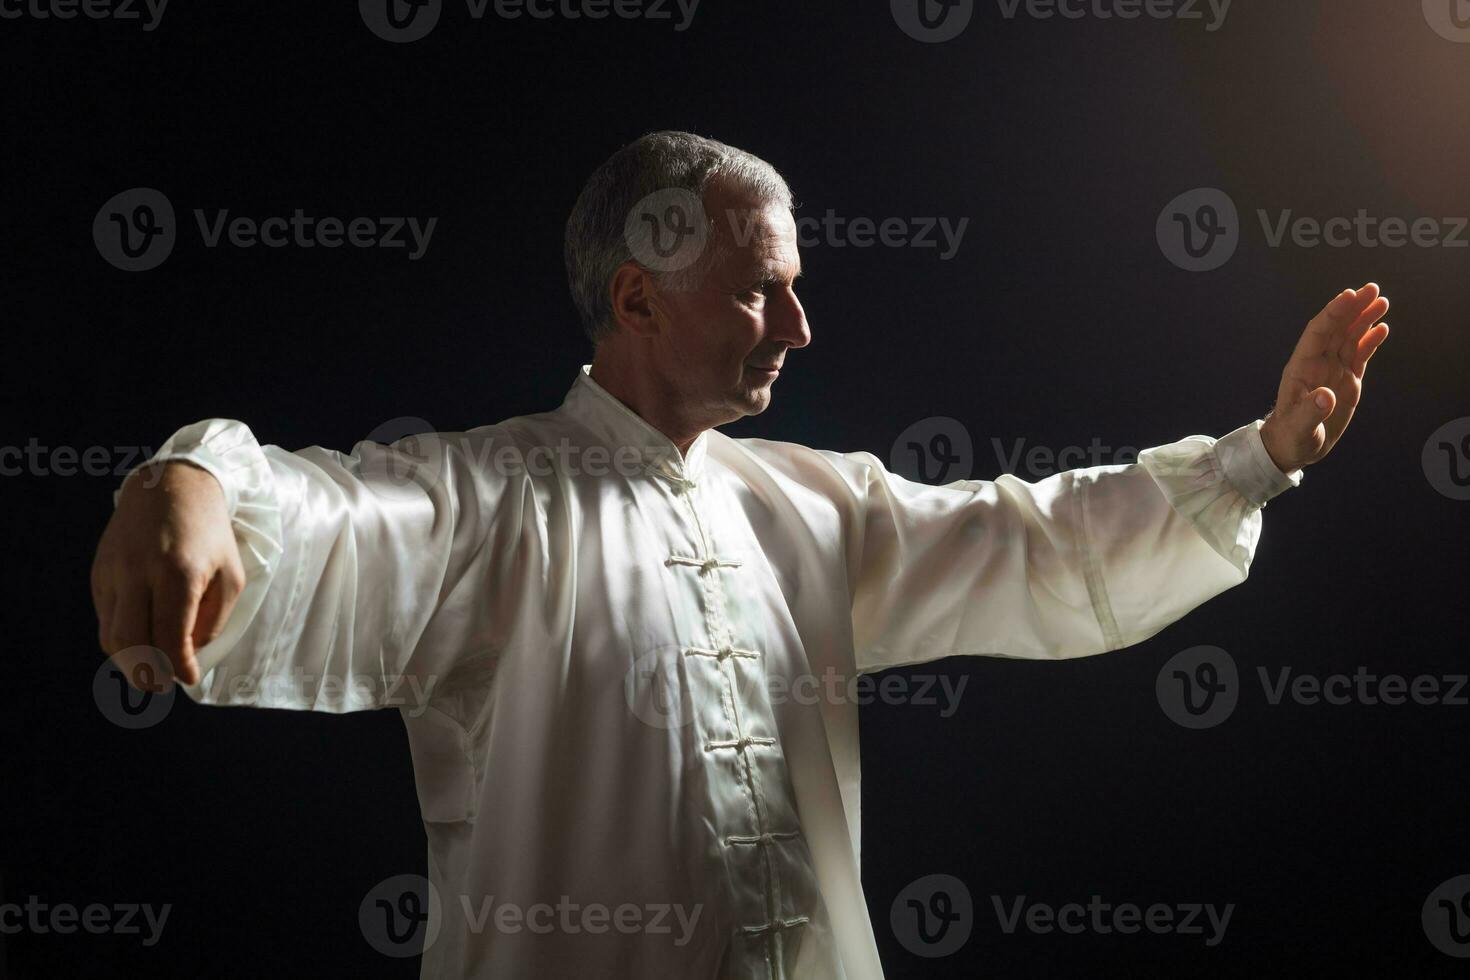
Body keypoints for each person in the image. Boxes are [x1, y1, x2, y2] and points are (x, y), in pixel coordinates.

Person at [90, 131, 1390, 979]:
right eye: (765, 287)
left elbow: (1034, 540)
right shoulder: (484, 499)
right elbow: (313, 519)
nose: (802, 325)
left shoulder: (814, 507)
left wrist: (1256, 456)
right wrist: (191, 476)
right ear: (640, 297)